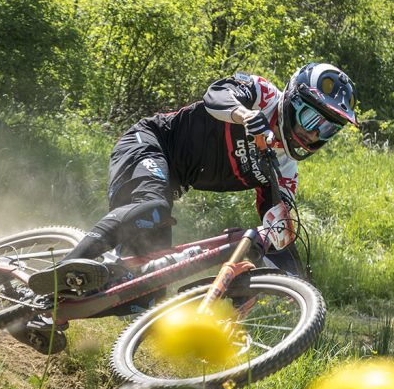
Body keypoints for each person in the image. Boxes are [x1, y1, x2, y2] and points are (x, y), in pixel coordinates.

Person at [27, 61, 358, 313]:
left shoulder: (285, 168)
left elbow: (280, 234)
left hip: (170, 184)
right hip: (150, 142)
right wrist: (243, 115)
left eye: (328, 129)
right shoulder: (263, 94)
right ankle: (56, 274)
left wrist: (297, 288)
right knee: (152, 208)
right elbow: (216, 95)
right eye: (312, 120)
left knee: (144, 294)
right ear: (292, 100)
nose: (315, 135)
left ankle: (55, 312)